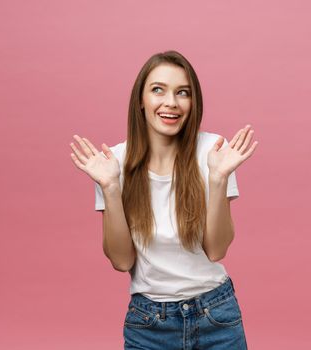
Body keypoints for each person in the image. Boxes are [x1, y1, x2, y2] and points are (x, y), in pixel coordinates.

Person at [70, 50, 257, 349]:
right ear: (140, 101)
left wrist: (218, 178)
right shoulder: (113, 162)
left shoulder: (213, 151)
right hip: (149, 323)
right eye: (158, 90)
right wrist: (110, 187)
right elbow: (121, 261)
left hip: (216, 315)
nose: (171, 102)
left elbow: (217, 249)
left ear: (193, 102)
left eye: (182, 92)